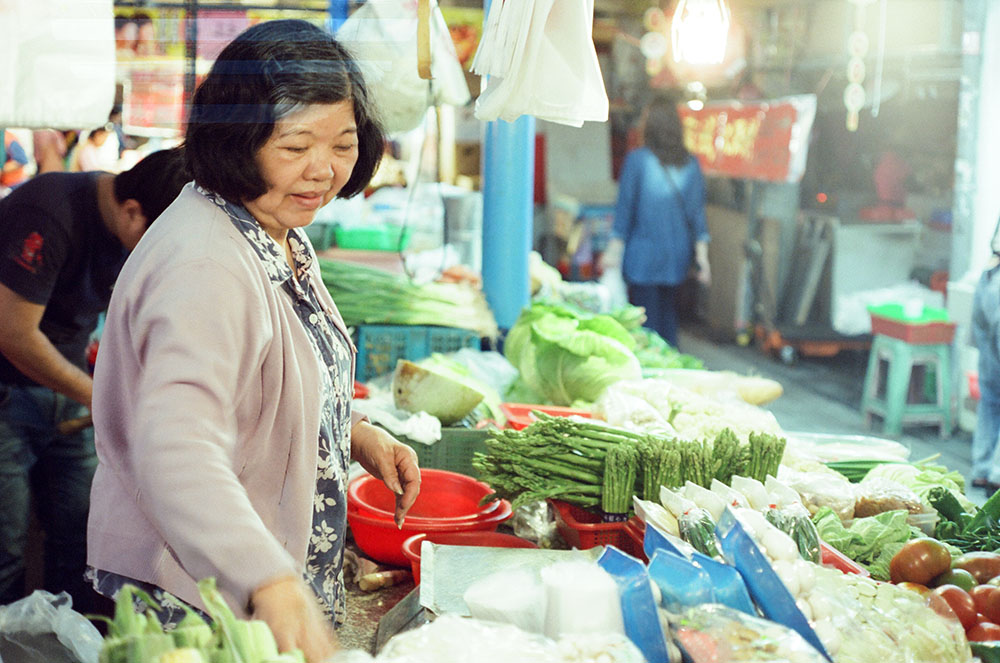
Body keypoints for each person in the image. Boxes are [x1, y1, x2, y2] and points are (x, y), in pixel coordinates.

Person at [85, 19, 420, 662]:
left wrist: (349, 430)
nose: (323, 171)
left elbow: (260, 373)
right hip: (195, 586)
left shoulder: (272, 227)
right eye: (295, 147)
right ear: (239, 140)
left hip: (236, 571)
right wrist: (267, 579)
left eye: (342, 144)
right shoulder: (205, 261)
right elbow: (175, 443)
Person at [0, 147, 190, 614]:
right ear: (131, 211)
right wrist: (102, 397)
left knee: (83, 539)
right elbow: (14, 334)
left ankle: (68, 639)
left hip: (67, 388)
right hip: (8, 391)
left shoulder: (132, 226)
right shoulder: (49, 211)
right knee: (5, 545)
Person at [600, 95, 711, 349]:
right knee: (669, 315)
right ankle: (671, 365)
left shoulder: (637, 161)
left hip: (643, 255)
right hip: (677, 256)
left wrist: (613, 250)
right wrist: (703, 259)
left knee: (645, 320)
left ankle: (652, 372)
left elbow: (625, 211)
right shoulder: (691, 164)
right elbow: (697, 214)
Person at [970, 216, 1000, 495]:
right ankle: (996, 472)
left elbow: (978, 322)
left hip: (992, 277)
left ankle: (983, 469)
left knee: (990, 399)